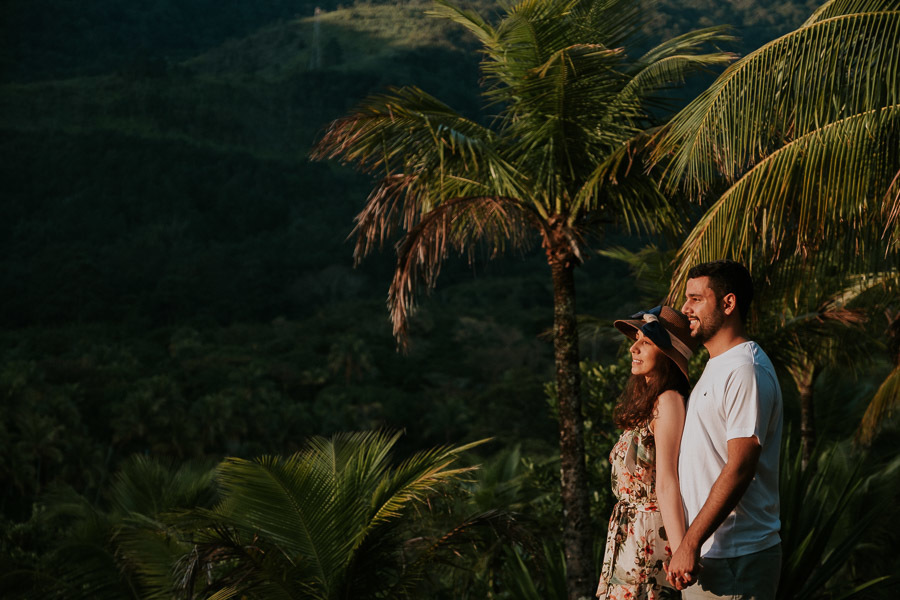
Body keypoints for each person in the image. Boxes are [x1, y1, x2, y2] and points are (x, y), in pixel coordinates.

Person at [666, 260, 783, 599]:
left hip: (737, 557)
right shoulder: (718, 365)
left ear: (728, 303)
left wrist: (690, 543)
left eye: (696, 299)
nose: (685, 308)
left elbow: (740, 466)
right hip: (713, 556)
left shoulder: (745, 369)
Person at [596, 305, 698, 600]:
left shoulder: (668, 401)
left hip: (648, 534)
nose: (634, 349)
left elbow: (666, 482)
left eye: (647, 342)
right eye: (636, 340)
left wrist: (681, 551)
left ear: (667, 356)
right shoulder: (650, 401)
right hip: (627, 531)